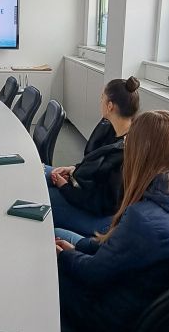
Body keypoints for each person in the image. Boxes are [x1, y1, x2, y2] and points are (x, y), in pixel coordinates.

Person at [56, 110, 169, 332]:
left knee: (41, 263)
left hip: (111, 314)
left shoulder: (144, 218)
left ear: (140, 152)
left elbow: (93, 273)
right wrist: (80, 247)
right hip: (142, 296)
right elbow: (119, 249)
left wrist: (65, 256)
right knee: (61, 235)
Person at [46, 76, 140, 237]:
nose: (100, 101)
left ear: (110, 106)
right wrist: (73, 169)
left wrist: (65, 187)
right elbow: (94, 164)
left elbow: (103, 202)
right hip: (83, 188)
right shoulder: (110, 128)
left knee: (38, 196)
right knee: (38, 173)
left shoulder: (126, 152)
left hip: (100, 214)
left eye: (102, 98)